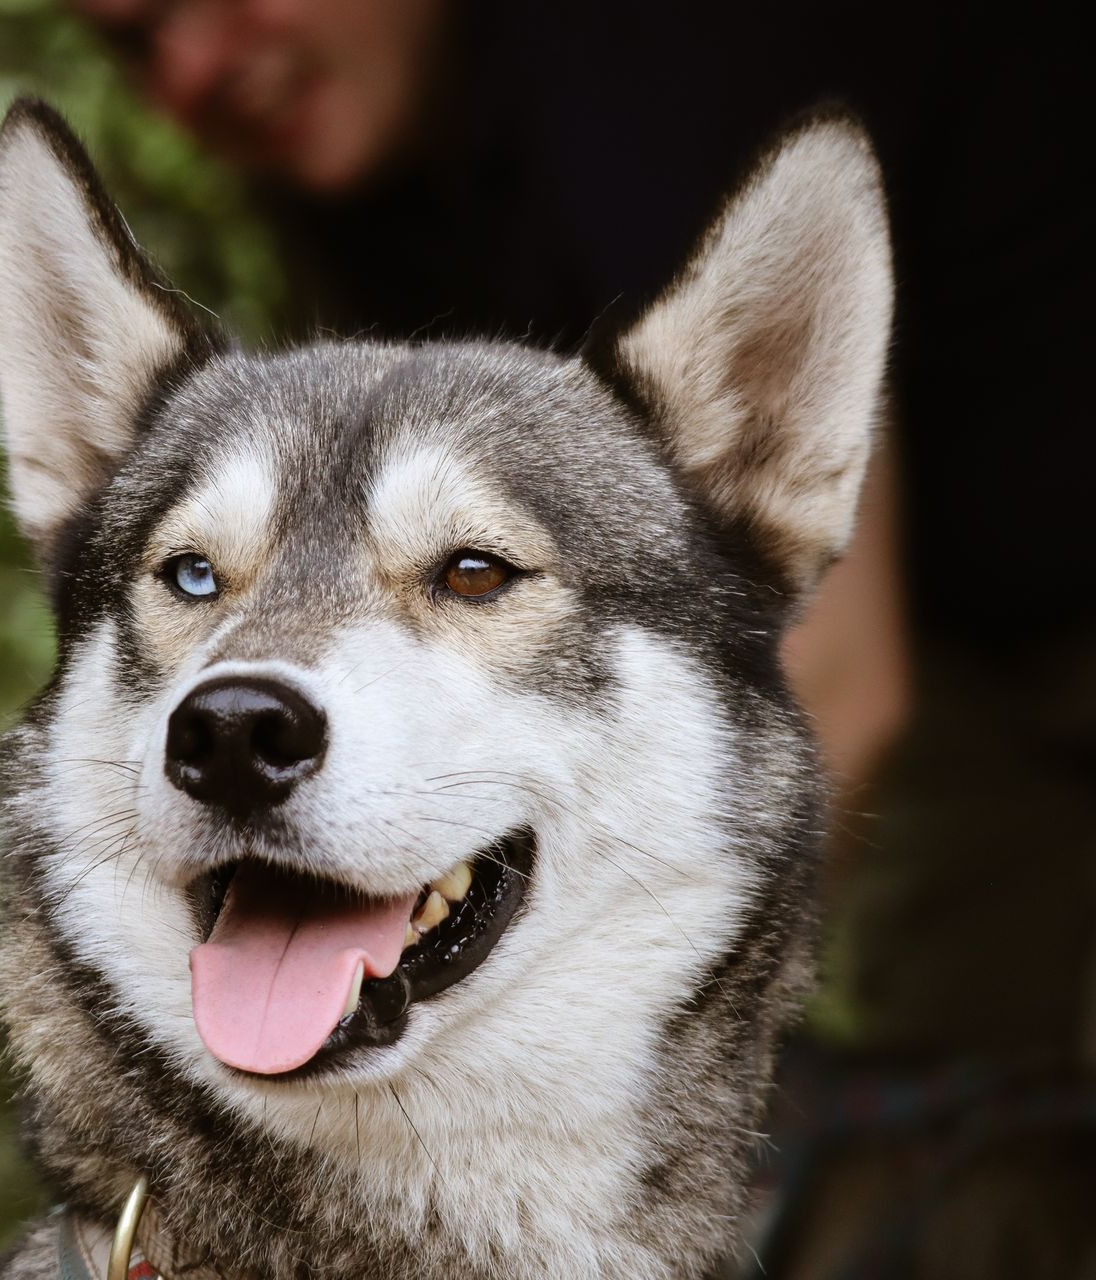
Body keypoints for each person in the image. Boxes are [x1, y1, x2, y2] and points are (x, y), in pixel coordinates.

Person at [70, 2, 1094, 1274]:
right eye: (130, 41)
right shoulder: (381, 193)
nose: (195, 66)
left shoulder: (657, 76)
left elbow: (835, 670)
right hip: (975, 660)